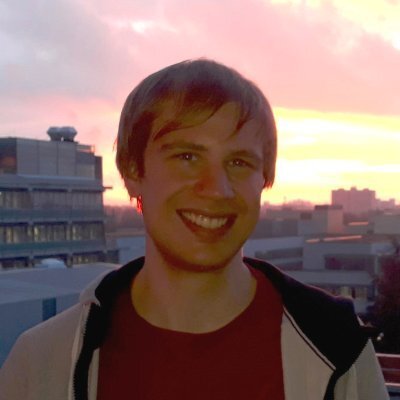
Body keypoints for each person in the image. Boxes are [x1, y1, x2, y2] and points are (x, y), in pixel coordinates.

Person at [0, 59, 388, 400]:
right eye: (187, 156)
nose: (216, 188)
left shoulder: (337, 346)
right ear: (133, 172)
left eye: (239, 162)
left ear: (264, 180)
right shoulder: (43, 361)